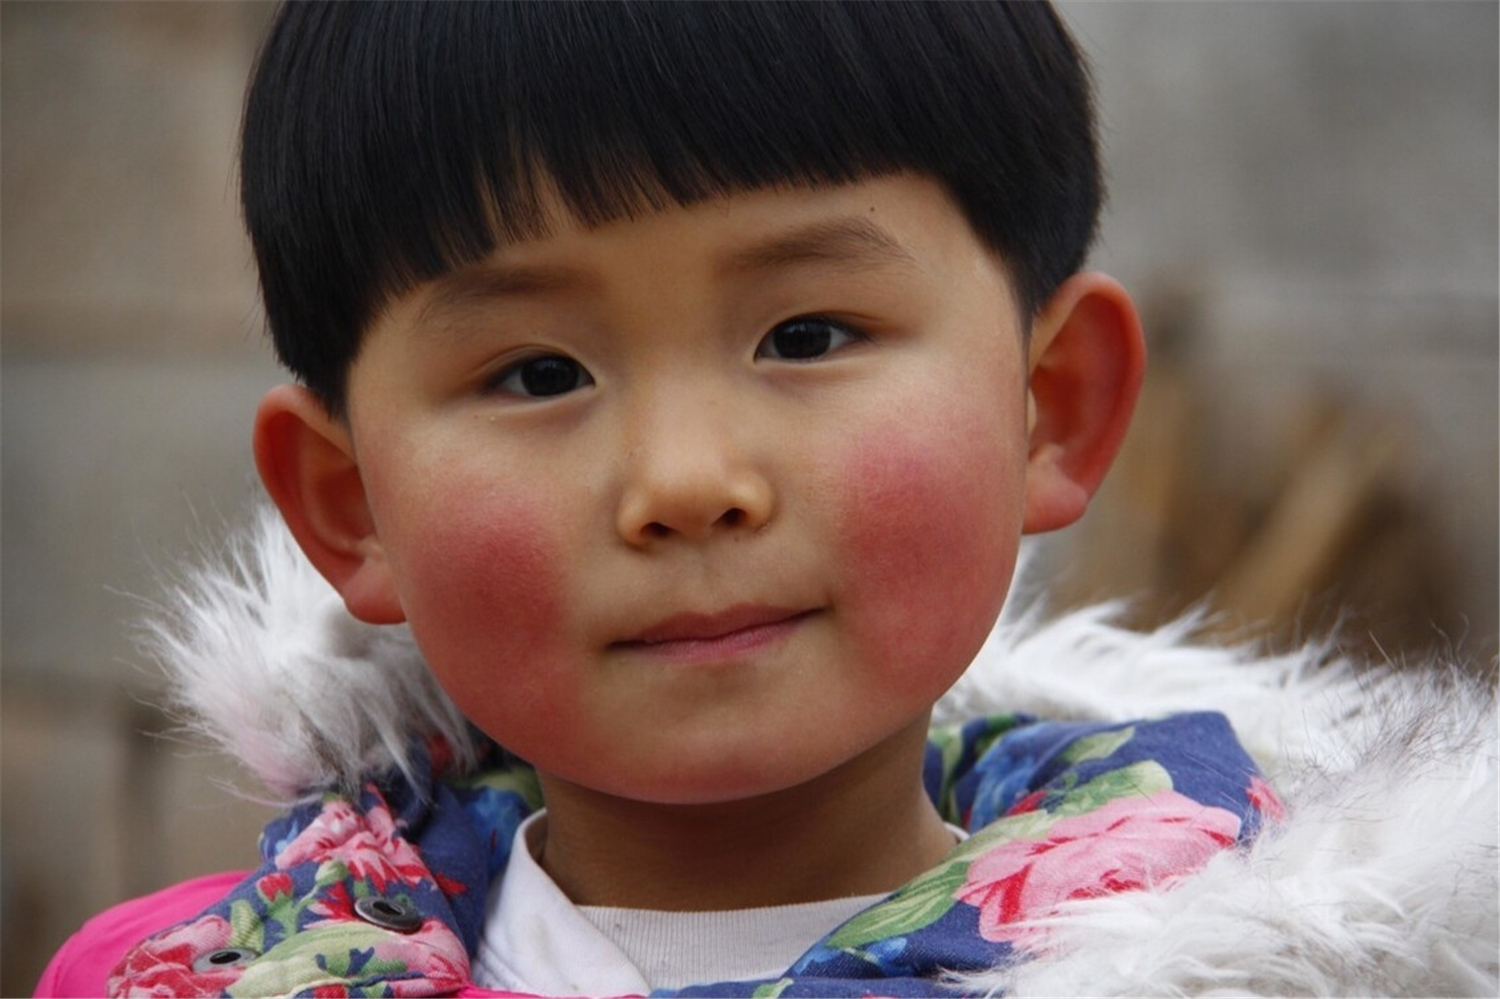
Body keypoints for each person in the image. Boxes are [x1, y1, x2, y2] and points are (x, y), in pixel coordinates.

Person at [36, 3, 1496, 997]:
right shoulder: (193, 980)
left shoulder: (1332, 965)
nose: (685, 483)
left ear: (1050, 406)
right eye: (539, 371)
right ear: (347, 506)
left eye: (806, 337)